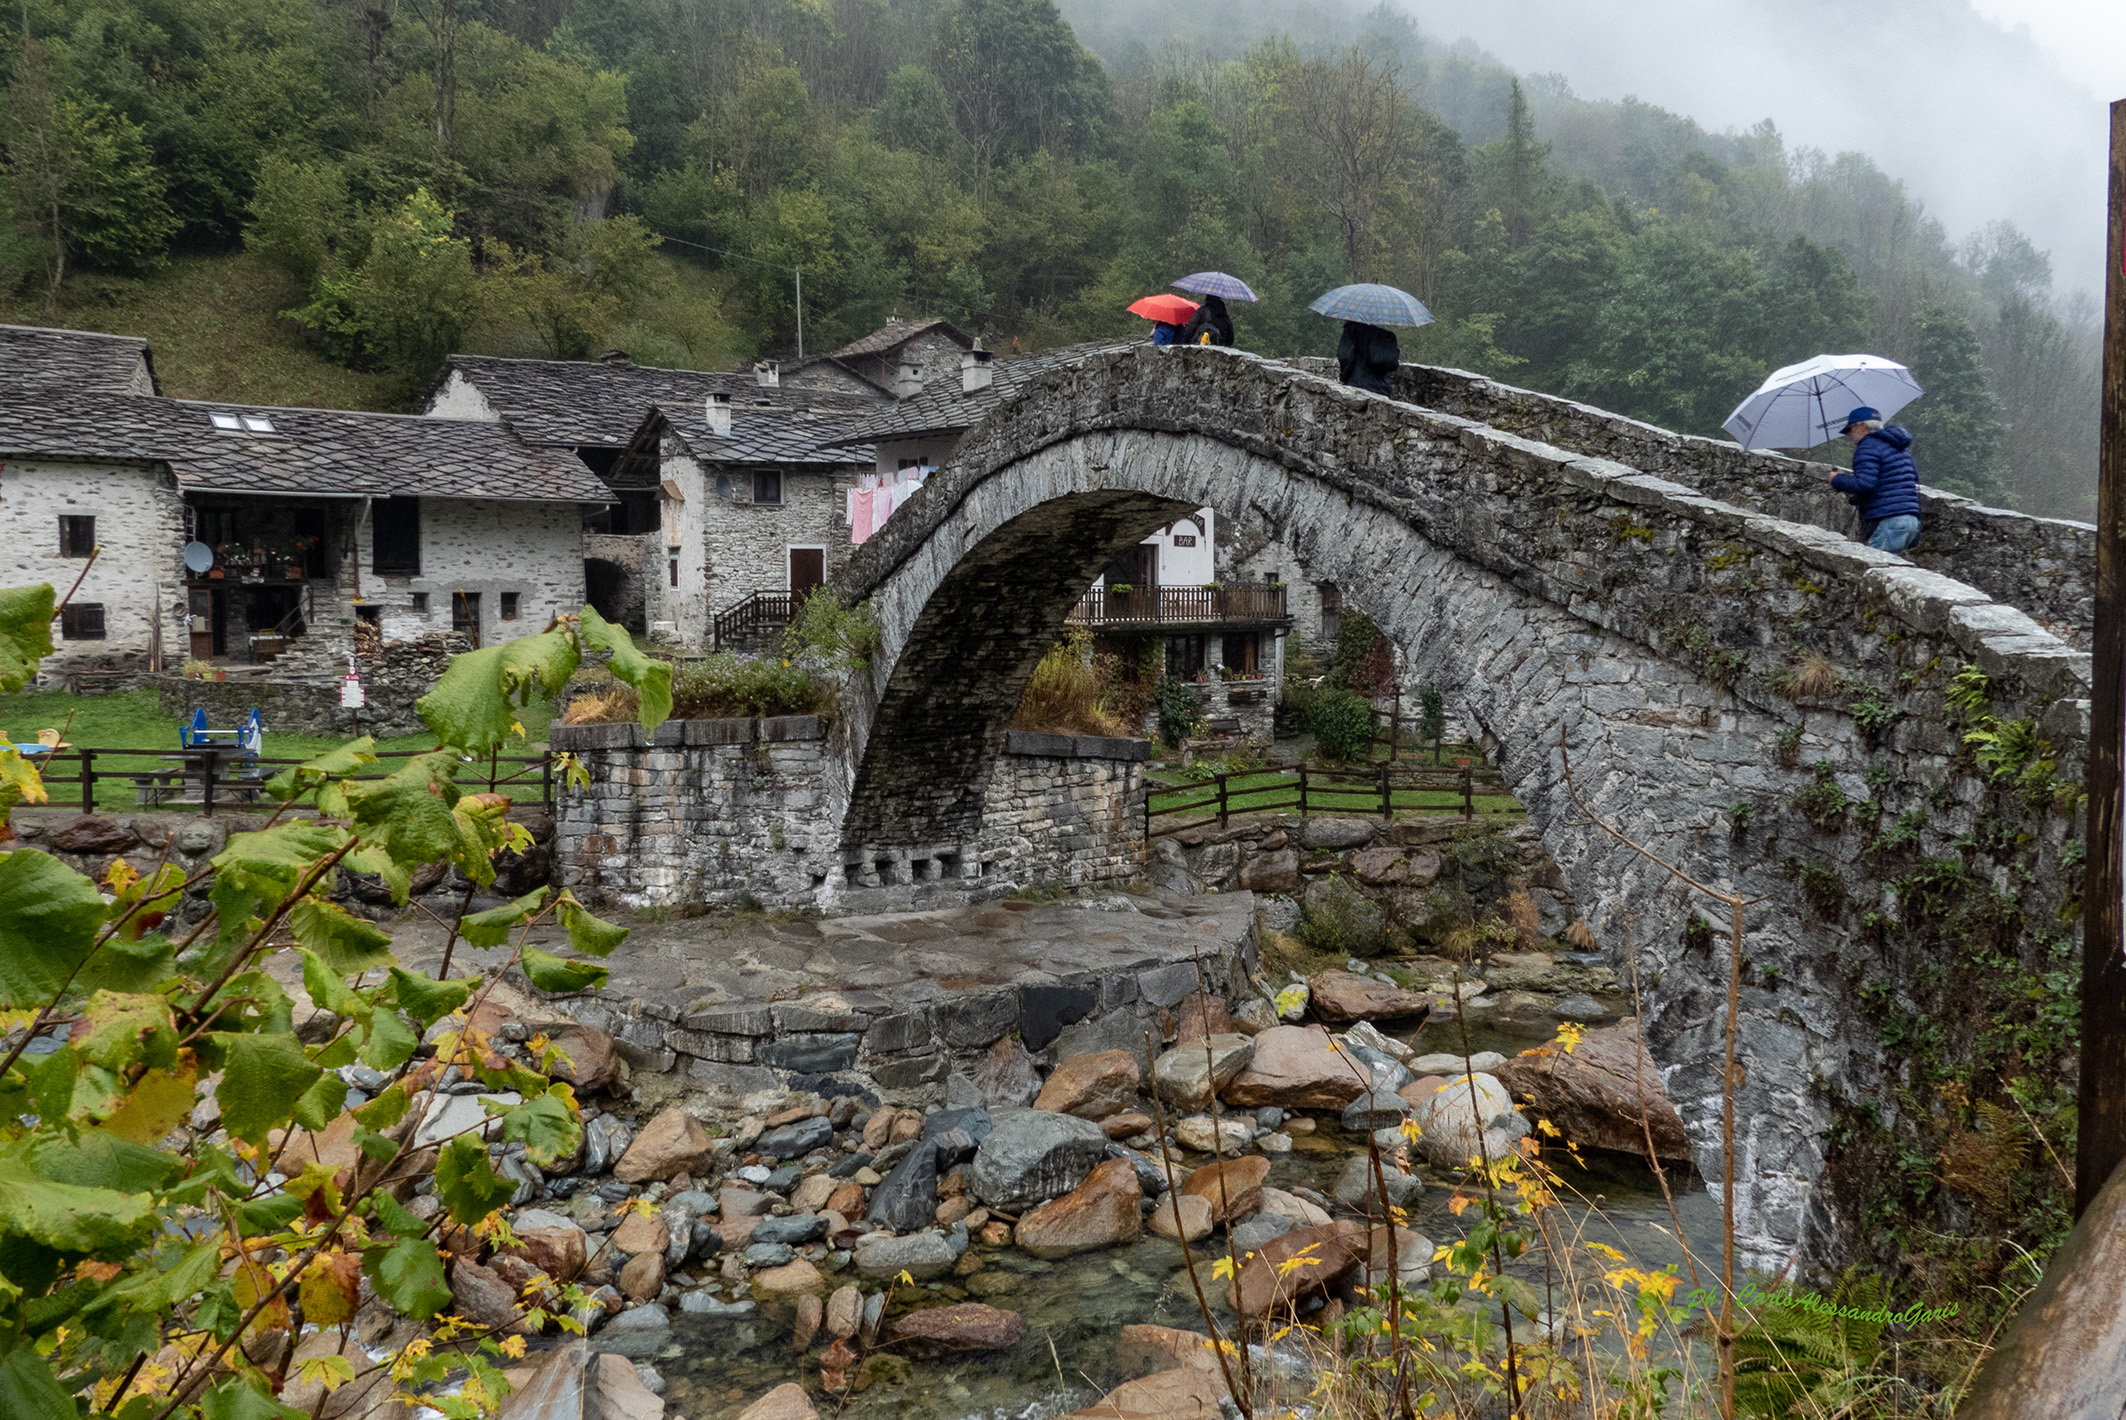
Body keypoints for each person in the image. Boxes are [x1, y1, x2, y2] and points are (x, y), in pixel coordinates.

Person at [1827, 406, 1921, 553]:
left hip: (1889, 519)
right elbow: (1907, 478)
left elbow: (1864, 484)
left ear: (1863, 426)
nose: (1849, 435)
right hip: (1910, 519)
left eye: (1850, 429)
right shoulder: (1898, 446)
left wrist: (1837, 479)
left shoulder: (1868, 446)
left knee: (1875, 570)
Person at [1338, 319, 1399, 395]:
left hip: (1356, 385)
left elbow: (1345, 356)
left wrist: (1344, 378)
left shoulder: (1352, 330)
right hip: (1382, 389)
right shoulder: (1389, 336)